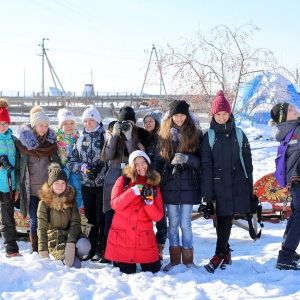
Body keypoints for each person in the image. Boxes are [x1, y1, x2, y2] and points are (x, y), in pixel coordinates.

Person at [201, 90, 253, 273]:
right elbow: (206, 167)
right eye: (218, 114)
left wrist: (250, 190)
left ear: (229, 114)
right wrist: (207, 195)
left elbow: (248, 164)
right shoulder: (208, 137)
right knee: (222, 219)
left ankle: (219, 255)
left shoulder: (239, 135)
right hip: (218, 185)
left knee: (226, 219)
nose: (222, 117)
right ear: (213, 115)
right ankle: (225, 253)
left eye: (225, 114)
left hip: (237, 184)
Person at [154, 100, 202, 271]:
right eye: (176, 115)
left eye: (182, 115)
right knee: (173, 223)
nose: (180, 118)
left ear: (187, 116)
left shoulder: (195, 134)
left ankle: (189, 260)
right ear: (171, 116)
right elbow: (158, 162)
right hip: (169, 186)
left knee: (185, 224)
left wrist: (188, 159)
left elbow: (202, 160)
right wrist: (157, 181)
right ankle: (174, 259)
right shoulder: (163, 136)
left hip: (189, 184)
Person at [104, 150, 163, 274]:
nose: (141, 166)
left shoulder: (154, 186)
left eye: (143, 162)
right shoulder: (123, 181)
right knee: (126, 273)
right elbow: (115, 204)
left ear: (148, 163)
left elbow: (158, 217)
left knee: (154, 271)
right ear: (131, 166)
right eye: (136, 164)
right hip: (123, 240)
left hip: (144, 241)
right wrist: (131, 192)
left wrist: (149, 204)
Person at [101, 106, 145, 263]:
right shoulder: (112, 135)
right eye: (124, 122)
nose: (128, 125)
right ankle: (109, 252)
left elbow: (135, 156)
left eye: (131, 122)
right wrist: (114, 136)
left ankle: (124, 253)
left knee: (126, 220)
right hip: (112, 178)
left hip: (128, 177)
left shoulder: (138, 137)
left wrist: (129, 138)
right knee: (110, 218)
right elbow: (108, 156)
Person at [15, 106, 58, 253]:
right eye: (41, 125)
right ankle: (35, 249)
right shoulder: (23, 145)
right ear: (34, 125)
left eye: (46, 126)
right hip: (31, 190)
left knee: (48, 219)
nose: (44, 128)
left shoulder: (51, 144)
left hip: (47, 190)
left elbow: (56, 166)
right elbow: (19, 168)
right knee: (34, 219)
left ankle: (47, 247)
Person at [66, 106, 107, 262]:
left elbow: (112, 160)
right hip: (86, 186)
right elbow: (70, 162)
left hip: (102, 185)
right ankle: (90, 248)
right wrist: (82, 167)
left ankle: (100, 249)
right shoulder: (80, 140)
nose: (88, 124)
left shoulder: (106, 138)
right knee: (90, 218)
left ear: (97, 120)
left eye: (91, 120)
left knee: (100, 218)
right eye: (86, 121)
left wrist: (100, 168)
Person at [37, 163, 91, 268]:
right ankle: (66, 257)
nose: (60, 186)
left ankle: (74, 255)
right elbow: (42, 229)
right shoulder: (44, 204)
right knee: (76, 265)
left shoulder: (71, 199)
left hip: (71, 237)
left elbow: (75, 223)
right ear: (50, 184)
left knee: (85, 245)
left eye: (63, 183)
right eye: (56, 183)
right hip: (55, 240)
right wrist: (43, 252)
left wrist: (71, 245)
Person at [270, 102, 300, 270]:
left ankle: (288, 252)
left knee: (296, 214)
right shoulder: (296, 130)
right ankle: (285, 256)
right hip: (298, 178)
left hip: (294, 179)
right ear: (284, 117)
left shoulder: (288, 130)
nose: (295, 109)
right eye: (290, 110)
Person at [141, 110, 167, 260]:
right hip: (145, 182)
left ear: (157, 122)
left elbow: (160, 160)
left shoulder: (161, 139)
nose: (148, 124)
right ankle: (147, 246)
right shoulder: (144, 138)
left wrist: (145, 153)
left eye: (150, 121)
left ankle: (160, 247)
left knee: (160, 216)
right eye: (145, 122)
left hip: (158, 182)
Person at [0, 99, 21, 258]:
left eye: (5, 123)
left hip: (8, 185)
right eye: (0, 123)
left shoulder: (14, 141)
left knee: (8, 218)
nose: (3, 127)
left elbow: (18, 166)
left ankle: (11, 250)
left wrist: (17, 187)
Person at [56, 108, 83, 210]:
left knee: (77, 189)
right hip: (62, 168)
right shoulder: (56, 137)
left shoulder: (78, 137)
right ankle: (62, 212)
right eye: (65, 124)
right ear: (61, 125)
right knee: (62, 191)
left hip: (74, 168)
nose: (69, 126)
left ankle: (77, 209)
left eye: (72, 123)